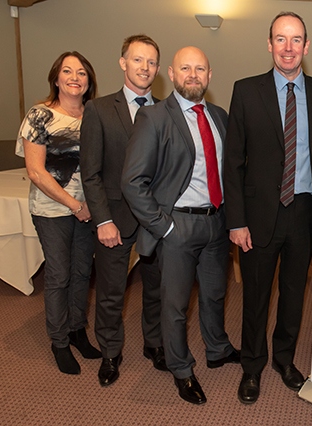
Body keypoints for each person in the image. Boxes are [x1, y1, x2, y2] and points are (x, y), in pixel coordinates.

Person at [121, 46, 240, 405]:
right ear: (170, 74)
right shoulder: (155, 118)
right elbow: (132, 181)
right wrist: (164, 227)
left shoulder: (219, 116)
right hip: (177, 227)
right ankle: (182, 369)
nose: (193, 75)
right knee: (174, 306)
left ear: (209, 75)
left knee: (215, 294)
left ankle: (217, 348)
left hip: (216, 224)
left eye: (200, 69)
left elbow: (231, 173)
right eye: (185, 68)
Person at [223, 11, 312, 404]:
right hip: (258, 217)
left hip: (303, 213)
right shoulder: (246, 91)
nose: (288, 47)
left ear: (306, 46)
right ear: (269, 44)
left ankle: (283, 359)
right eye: (280, 39)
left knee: (294, 294)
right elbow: (233, 162)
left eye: (296, 39)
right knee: (255, 297)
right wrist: (236, 221)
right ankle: (252, 366)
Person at [80, 34, 165, 387]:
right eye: (137, 60)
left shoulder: (165, 110)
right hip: (114, 219)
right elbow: (91, 172)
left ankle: (156, 344)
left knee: (158, 289)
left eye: (150, 62)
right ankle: (111, 352)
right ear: (122, 63)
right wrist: (102, 219)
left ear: (158, 69)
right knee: (112, 292)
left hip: (156, 221)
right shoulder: (99, 109)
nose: (144, 68)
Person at [16, 51, 101, 375]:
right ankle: (59, 340)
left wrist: (91, 205)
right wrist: (75, 205)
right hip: (53, 210)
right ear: (56, 78)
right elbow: (36, 172)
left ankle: (78, 330)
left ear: (89, 80)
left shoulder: (94, 114)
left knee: (82, 273)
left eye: (81, 72)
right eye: (68, 71)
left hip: (88, 209)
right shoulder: (40, 115)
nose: (75, 77)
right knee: (59, 275)